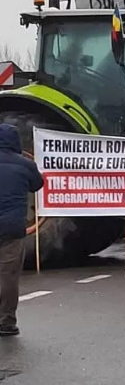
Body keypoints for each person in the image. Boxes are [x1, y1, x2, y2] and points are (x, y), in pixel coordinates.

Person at [0, 124, 43, 337]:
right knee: (8, 275)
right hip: (12, 228)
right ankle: (6, 322)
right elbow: (37, 185)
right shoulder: (25, 164)